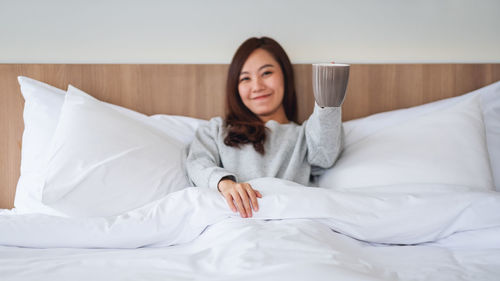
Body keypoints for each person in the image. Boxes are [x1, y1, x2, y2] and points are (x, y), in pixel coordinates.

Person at [186, 37, 343, 218]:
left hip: (291, 224)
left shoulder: (306, 134)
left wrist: (329, 98)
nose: (257, 86)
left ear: (285, 75)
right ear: (235, 88)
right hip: (235, 225)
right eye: (245, 78)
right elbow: (197, 163)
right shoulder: (217, 129)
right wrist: (226, 183)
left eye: (266, 73)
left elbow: (325, 156)